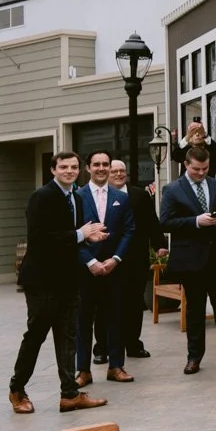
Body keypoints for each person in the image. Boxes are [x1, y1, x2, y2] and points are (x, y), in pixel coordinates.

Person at [10, 151, 107, 413]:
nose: (69, 171)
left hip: (68, 278)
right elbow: (40, 239)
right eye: (63, 167)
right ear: (53, 169)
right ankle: (17, 389)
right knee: (36, 336)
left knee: (67, 337)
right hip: (42, 280)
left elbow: (68, 239)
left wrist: (89, 238)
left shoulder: (75, 197)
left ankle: (70, 394)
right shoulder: (41, 197)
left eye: (74, 167)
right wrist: (80, 233)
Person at [159, 144, 216, 375]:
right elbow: (166, 222)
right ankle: (194, 357)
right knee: (194, 311)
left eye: (205, 168)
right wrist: (196, 221)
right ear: (186, 165)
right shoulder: (172, 189)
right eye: (196, 169)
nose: (201, 173)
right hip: (190, 259)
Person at [75, 150, 135, 386]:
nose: (102, 168)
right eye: (96, 164)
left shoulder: (122, 197)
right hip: (85, 268)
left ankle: (116, 366)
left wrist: (116, 258)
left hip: (113, 268)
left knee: (115, 318)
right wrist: (90, 262)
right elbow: (73, 234)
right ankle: (83, 371)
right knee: (83, 320)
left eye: (106, 164)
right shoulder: (77, 197)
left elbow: (130, 230)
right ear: (88, 168)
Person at [103, 159, 161, 360]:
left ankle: (133, 345)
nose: (119, 174)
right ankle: (102, 348)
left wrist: (159, 244)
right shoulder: (100, 196)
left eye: (122, 171)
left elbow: (151, 221)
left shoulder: (139, 195)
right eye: (114, 171)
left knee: (134, 304)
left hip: (135, 258)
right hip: (107, 258)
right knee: (106, 304)